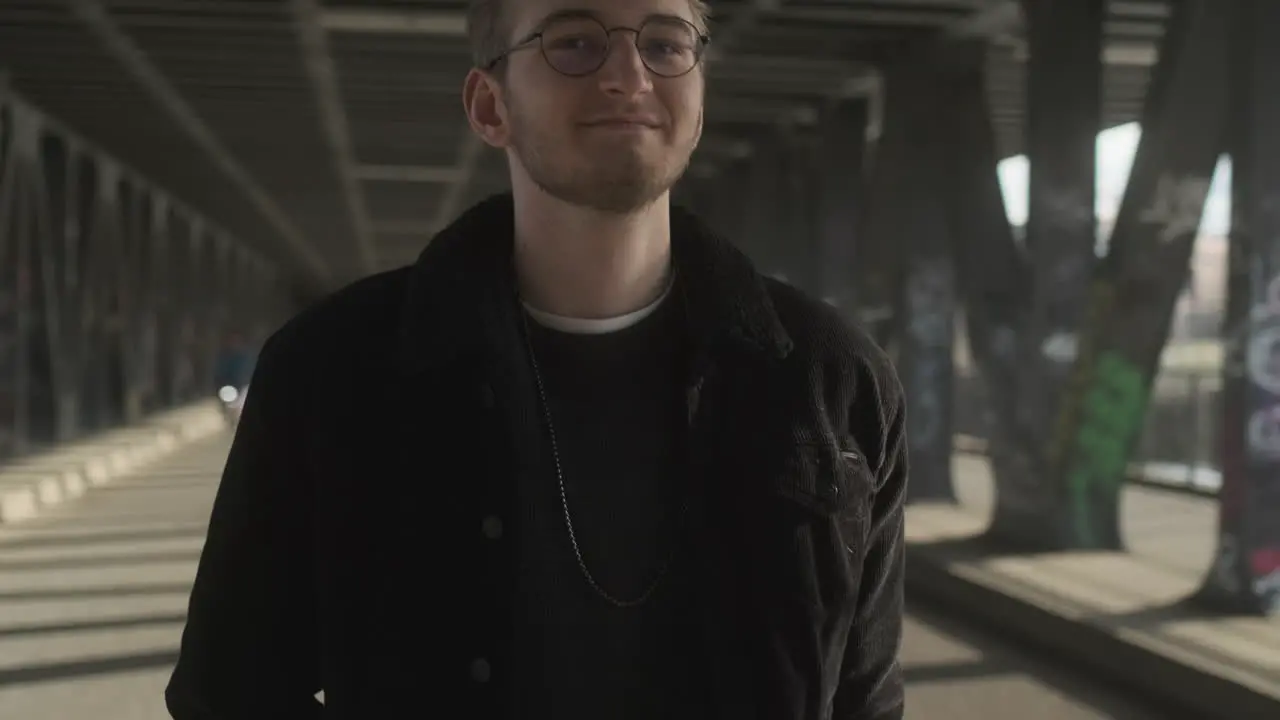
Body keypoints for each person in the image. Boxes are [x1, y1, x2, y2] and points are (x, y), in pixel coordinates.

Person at [165, 0, 907, 718]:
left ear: (700, 96)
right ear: (491, 106)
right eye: (575, 41)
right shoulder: (330, 370)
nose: (630, 75)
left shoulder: (833, 380)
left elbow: (865, 703)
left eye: (667, 43)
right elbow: (228, 694)